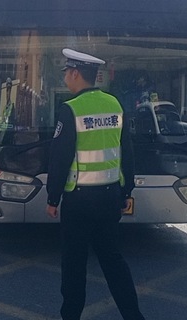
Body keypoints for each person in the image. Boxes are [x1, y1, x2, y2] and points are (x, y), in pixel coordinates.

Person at [46, 48, 145, 320]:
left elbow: (59, 159)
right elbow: (127, 152)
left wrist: (52, 199)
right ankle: (134, 316)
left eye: (67, 72)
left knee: (74, 266)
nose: (65, 76)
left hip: (78, 201)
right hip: (111, 196)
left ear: (76, 73)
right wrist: (127, 190)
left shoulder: (71, 110)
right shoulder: (115, 105)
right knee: (113, 261)